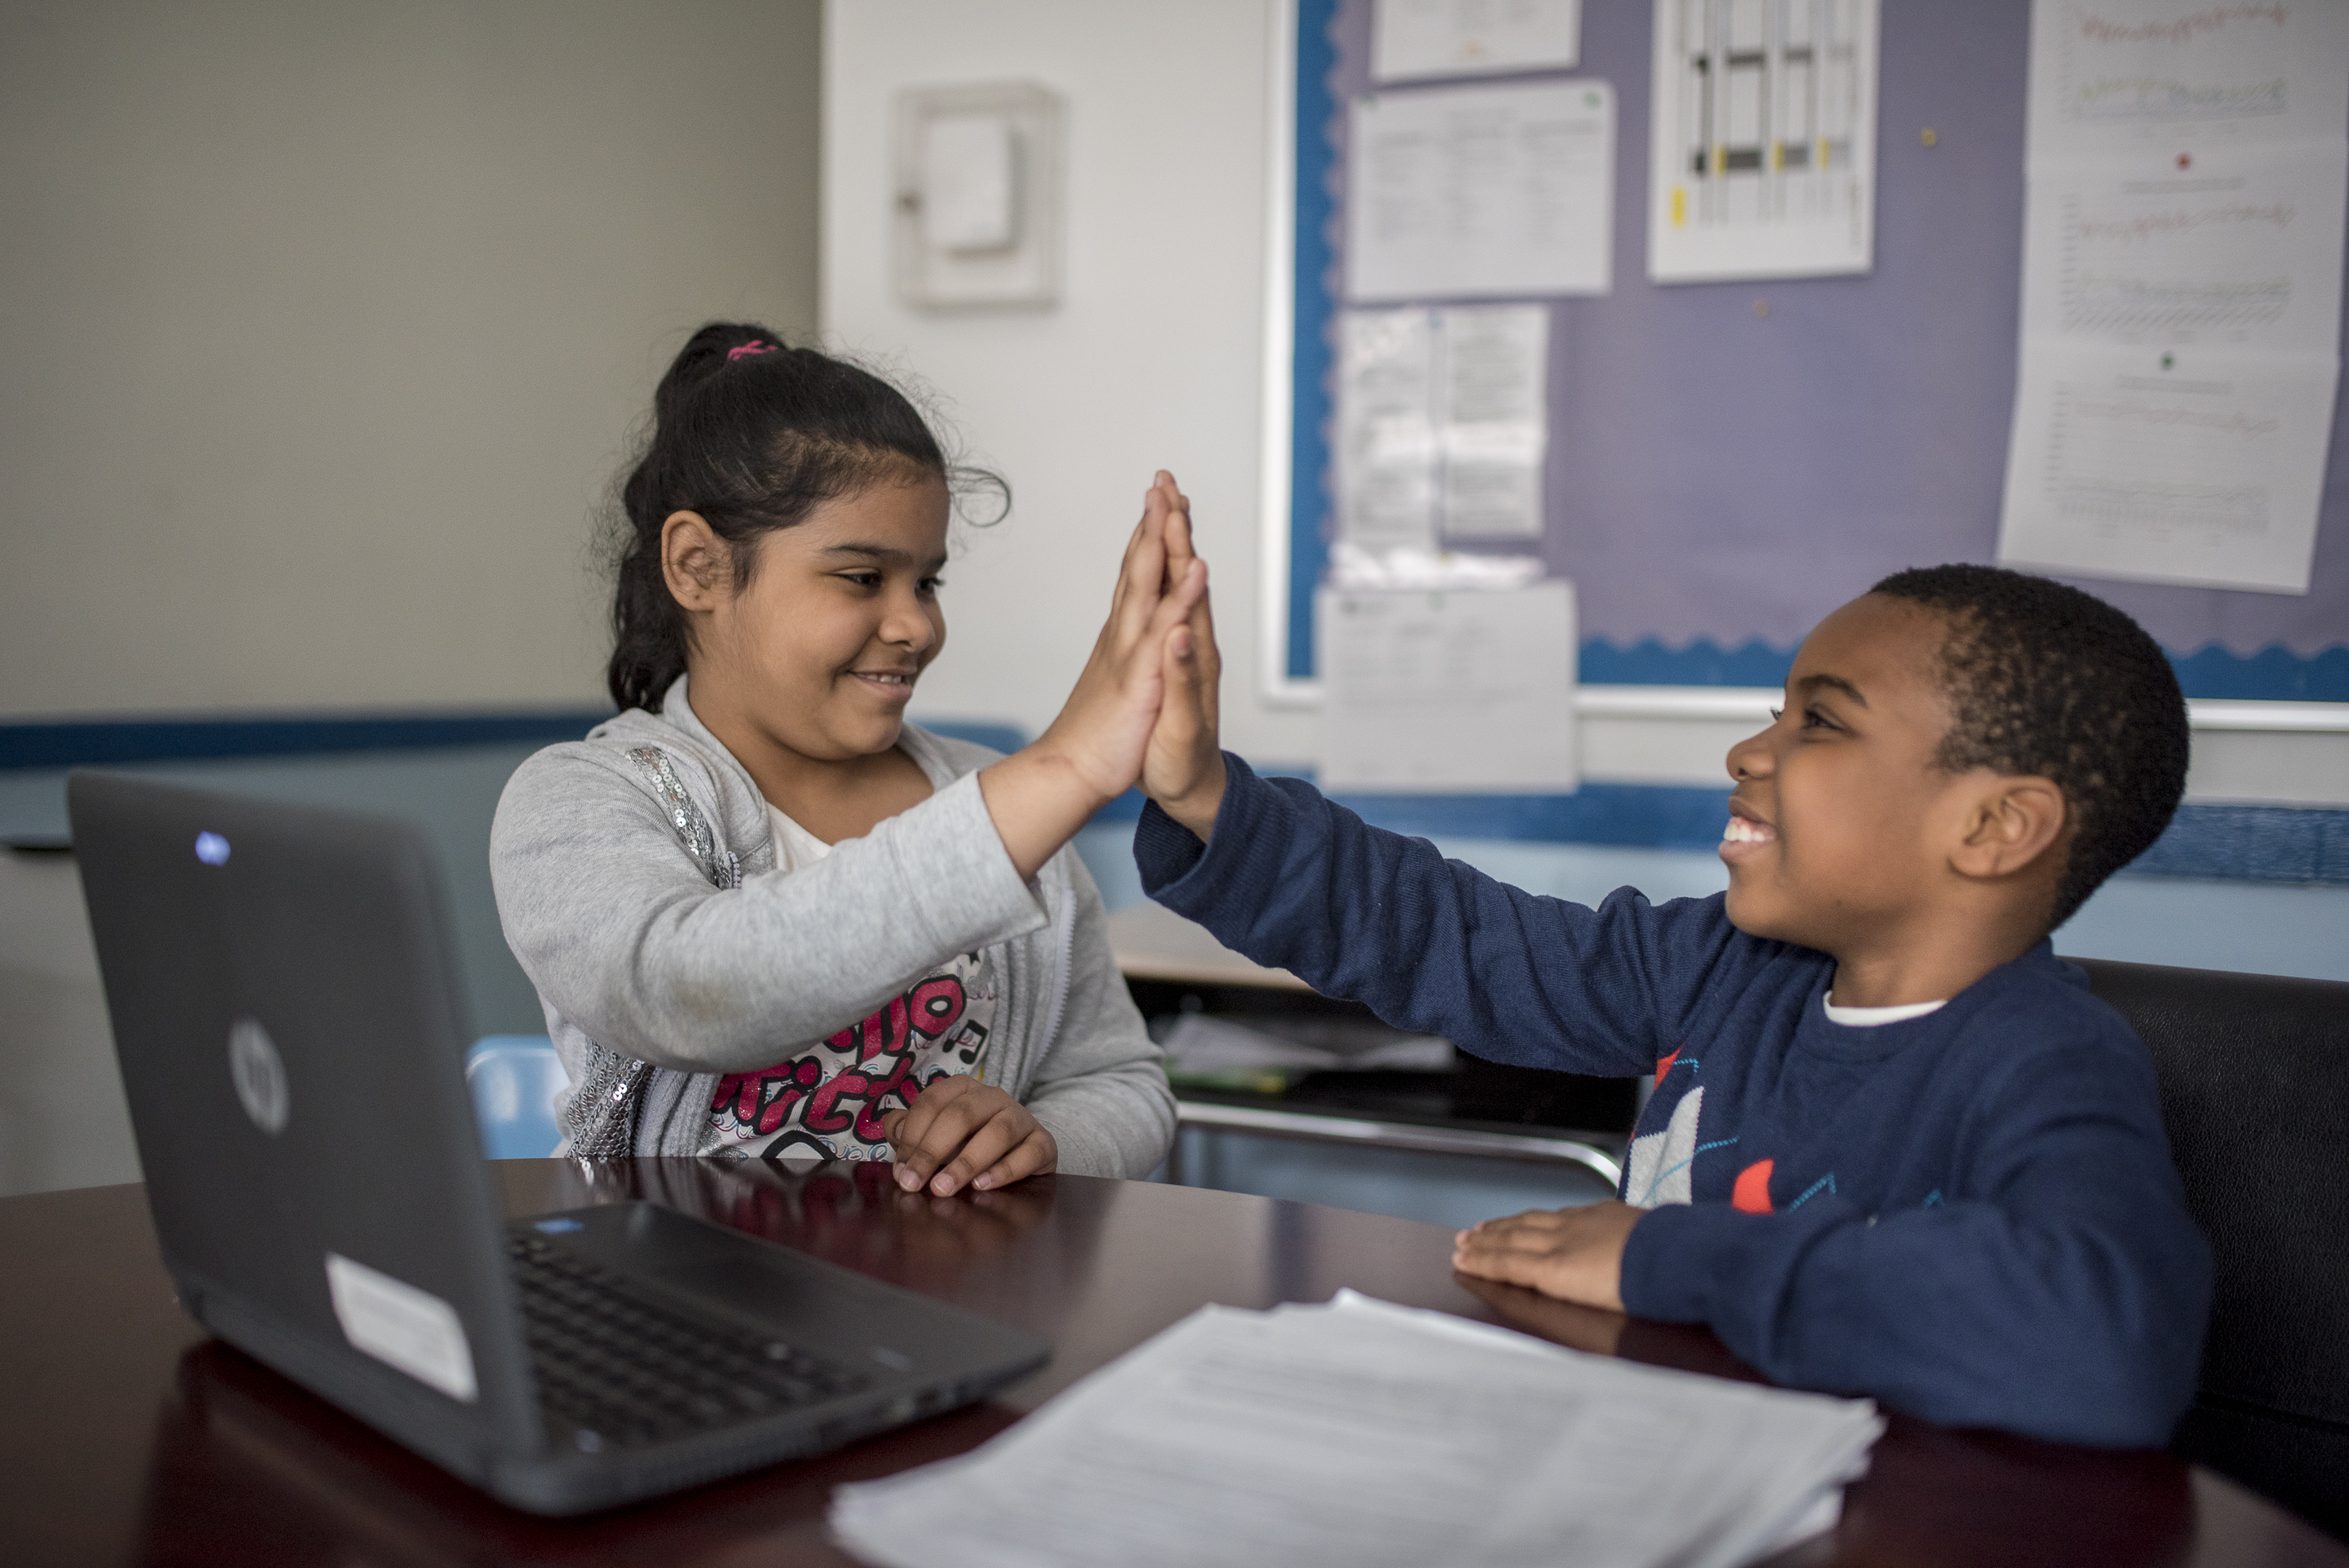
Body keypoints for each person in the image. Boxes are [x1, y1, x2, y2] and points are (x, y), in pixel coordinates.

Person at [1134, 549, 2212, 1446]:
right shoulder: (1718, 965)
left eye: (1821, 723)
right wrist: (1208, 798)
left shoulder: (2048, 1059)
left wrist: (1667, 1256)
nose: (1748, 751)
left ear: (1993, 827)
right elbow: (1455, 936)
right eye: (1774, 712)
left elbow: (2102, 1343)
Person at [492, 322, 1203, 1196]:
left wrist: (1043, 1136)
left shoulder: (1004, 809)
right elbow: (688, 991)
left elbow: (1123, 1082)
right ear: (698, 567)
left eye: (928, 581)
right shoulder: (581, 800)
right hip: (673, 1299)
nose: (916, 625)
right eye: (863, 577)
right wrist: (1057, 774)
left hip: (937, 1312)